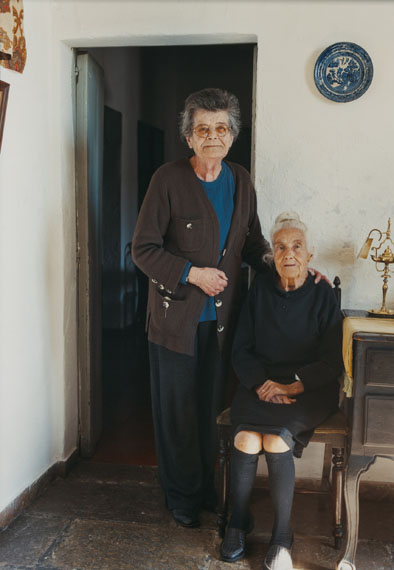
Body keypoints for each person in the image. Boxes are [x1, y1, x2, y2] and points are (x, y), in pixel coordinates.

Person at [131, 89, 326, 529]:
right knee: (178, 412)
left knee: (211, 411)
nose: (213, 137)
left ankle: (206, 491)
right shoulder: (167, 179)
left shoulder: (240, 179)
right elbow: (142, 250)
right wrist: (191, 274)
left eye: (221, 128)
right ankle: (181, 495)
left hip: (222, 323)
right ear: (189, 137)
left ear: (232, 135)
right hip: (175, 322)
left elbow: (253, 244)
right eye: (203, 129)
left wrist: (291, 265)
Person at [220, 212, 343, 570]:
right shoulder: (259, 289)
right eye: (280, 247)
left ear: (310, 254)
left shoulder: (323, 295)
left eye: (297, 246)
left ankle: (282, 535)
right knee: (245, 440)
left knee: (275, 441)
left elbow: (333, 360)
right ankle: (238, 522)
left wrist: (292, 384)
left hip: (307, 389)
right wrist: (260, 384)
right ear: (272, 255)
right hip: (258, 385)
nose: (289, 254)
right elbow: (240, 349)